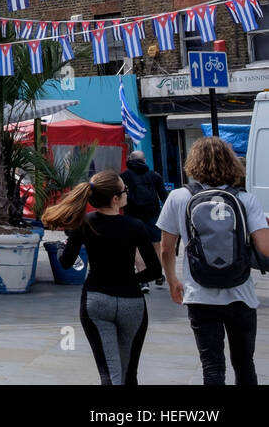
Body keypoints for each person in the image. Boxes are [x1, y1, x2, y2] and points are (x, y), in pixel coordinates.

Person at [158, 136, 269, 385]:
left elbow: (166, 249)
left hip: (199, 294)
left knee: (212, 367)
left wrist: (172, 280)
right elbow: (265, 247)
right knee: (244, 364)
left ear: (193, 163)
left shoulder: (177, 197)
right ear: (231, 163)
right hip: (241, 294)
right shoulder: (245, 199)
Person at [42, 170, 161, 385]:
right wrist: (130, 280)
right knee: (128, 374)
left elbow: (66, 263)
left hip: (96, 300)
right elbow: (155, 271)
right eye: (125, 190)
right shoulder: (136, 226)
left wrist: (61, 249)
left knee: (110, 373)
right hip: (131, 303)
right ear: (116, 199)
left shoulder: (84, 223)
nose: (127, 193)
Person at [121, 149, 167, 288]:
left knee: (135, 246)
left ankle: (143, 279)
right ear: (145, 161)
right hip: (152, 214)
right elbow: (164, 196)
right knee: (155, 243)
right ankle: (158, 274)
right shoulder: (155, 176)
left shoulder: (124, 176)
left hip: (132, 215)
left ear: (129, 160)